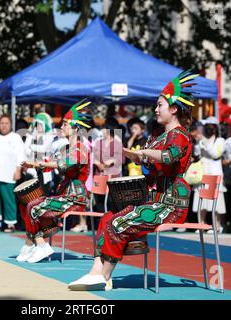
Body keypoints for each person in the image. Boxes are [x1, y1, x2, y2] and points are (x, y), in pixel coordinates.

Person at [67, 70, 197, 291]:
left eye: (160, 106)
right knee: (107, 218)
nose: (156, 110)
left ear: (174, 109)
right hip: (153, 198)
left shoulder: (180, 135)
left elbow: (170, 156)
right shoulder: (158, 135)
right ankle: (96, 272)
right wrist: (133, 154)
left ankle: (104, 275)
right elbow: (150, 161)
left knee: (119, 222)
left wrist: (143, 154)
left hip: (170, 203)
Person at [18, 99, 93, 263]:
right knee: (29, 204)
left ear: (76, 128)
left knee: (34, 206)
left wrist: (38, 163)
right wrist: (36, 164)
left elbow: (62, 164)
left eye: (65, 124)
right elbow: (51, 163)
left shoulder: (81, 149)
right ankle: (34, 243)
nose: (62, 127)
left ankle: (39, 244)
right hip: (64, 195)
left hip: (75, 198)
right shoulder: (65, 148)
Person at [192, 116, 226, 233]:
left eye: (211, 127)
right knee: (200, 200)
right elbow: (196, 153)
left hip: (215, 174)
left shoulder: (220, 141)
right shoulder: (202, 140)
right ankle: (201, 224)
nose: (208, 129)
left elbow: (215, 154)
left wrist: (204, 141)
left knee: (215, 201)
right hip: (202, 173)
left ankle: (217, 225)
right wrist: (198, 141)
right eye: (207, 127)